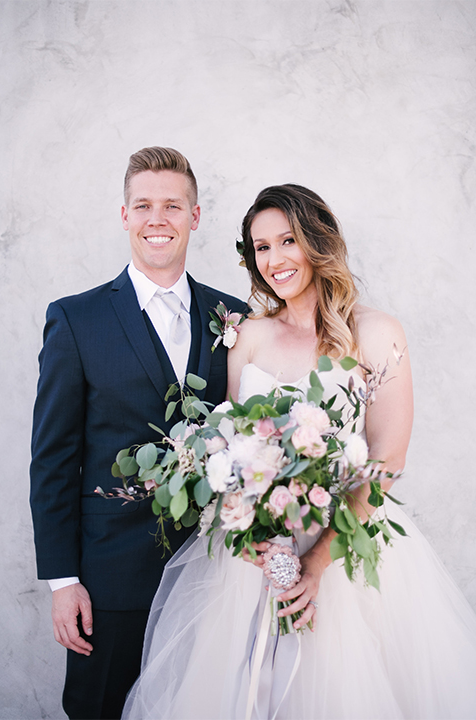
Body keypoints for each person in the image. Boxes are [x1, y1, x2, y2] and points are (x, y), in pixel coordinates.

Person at [121, 183, 476, 720]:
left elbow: (387, 459)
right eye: (261, 247)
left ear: (317, 241)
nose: (275, 259)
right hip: (254, 562)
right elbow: (230, 450)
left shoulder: (377, 333)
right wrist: (244, 532)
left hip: (344, 549)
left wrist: (315, 559)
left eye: (287, 240)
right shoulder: (247, 337)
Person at [29, 146, 248, 720]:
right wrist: (62, 581)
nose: (159, 218)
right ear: (124, 215)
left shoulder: (236, 317)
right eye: (144, 205)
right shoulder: (76, 320)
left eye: (173, 206)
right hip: (110, 582)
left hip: (214, 575)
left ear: (195, 217)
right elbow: (53, 458)